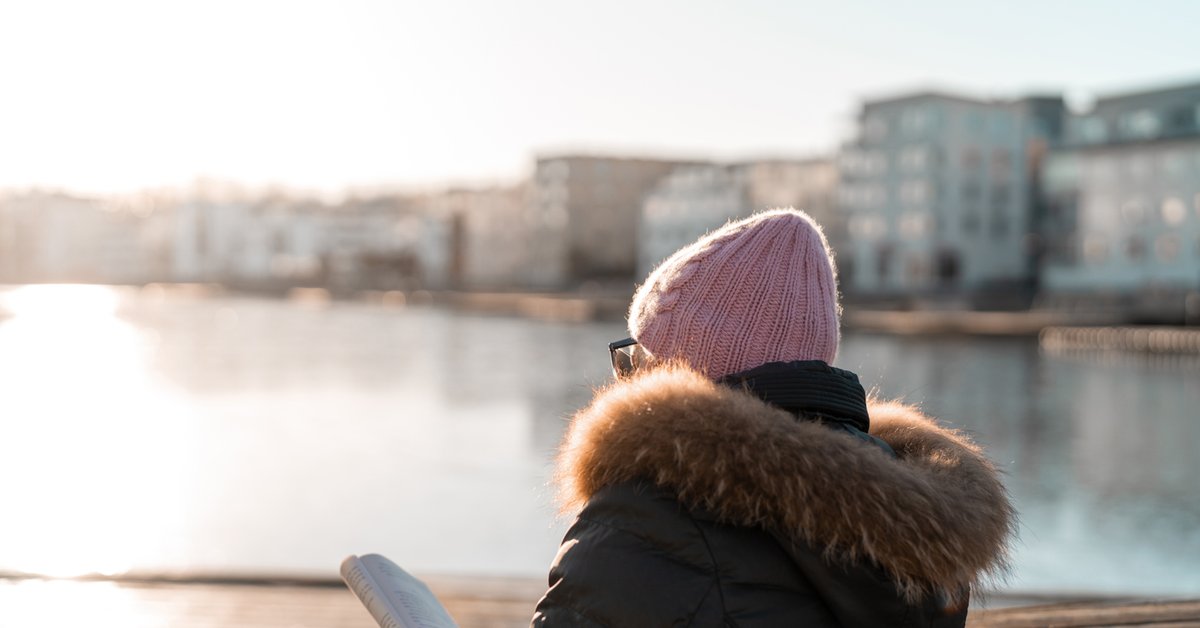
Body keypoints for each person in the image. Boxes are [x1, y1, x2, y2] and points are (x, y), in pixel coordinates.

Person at [531, 209, 1014, 627]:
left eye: (639, 358)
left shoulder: (637, 527)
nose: (627, 376)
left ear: (682, 375)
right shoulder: (921, 539)